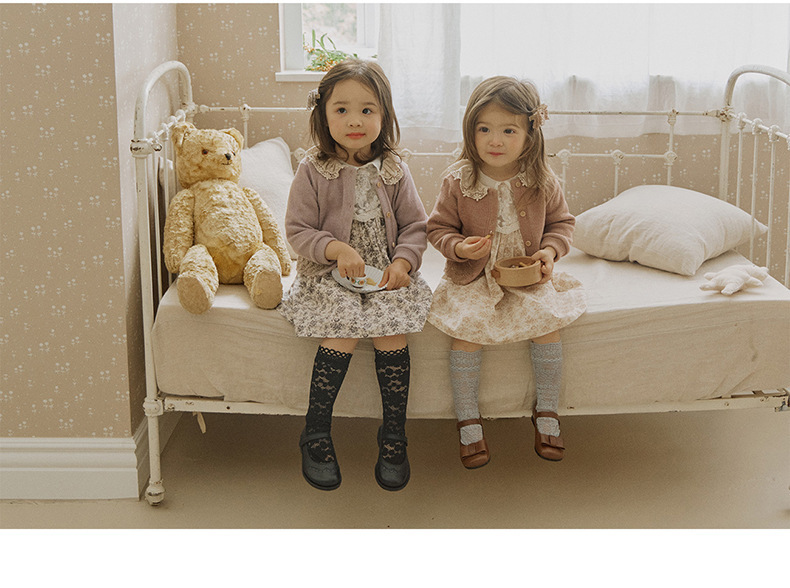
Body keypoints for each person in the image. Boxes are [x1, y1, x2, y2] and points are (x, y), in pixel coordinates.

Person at [280, 59, 432, 492]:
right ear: (323, 114)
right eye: (341, 109)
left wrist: (403, 263)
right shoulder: (313, 169)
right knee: (343, 329)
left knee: (391, 331)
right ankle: (315, 431)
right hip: (329, 272)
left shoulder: (395, 169)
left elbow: (416, 227)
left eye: (367, 110)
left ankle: (394, 435)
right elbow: (298, 230)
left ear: (384, 115)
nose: (354, 121)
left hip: (384, 271)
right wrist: (337, 248)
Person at [427, 76, 587, 468]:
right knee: (466, 332)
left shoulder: (541, 179)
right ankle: (468, 419)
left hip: (527, 275)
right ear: (470, 130)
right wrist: (459, 247)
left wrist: (549, 252)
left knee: (547, 324)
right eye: (484, 129)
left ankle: (546, 409)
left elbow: (562, 224)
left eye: (508, 131)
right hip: (473, 275)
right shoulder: (458, 179)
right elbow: (437, 229)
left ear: (530, 135)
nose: (494, 140)